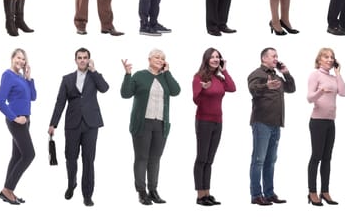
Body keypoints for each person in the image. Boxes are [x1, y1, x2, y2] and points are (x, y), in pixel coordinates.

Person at [48, 48, 109, 207]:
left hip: (91, 124)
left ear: (89, 60)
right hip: (72, 125)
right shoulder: (67, 79)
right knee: (70, 158)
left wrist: (94, 71)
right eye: (80, 58)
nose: (82, 60)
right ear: (75, 60)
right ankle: (71, 184)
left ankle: (87, 195)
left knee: (88, 160)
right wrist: (53, 123)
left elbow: (105, 88)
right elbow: (60, 102)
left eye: (85, 58)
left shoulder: (94, 77)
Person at [120, 49, 181, 205]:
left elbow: (176, 91)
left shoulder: (164, 77)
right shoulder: (140, 75)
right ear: (149, 59)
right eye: (157, 57)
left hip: (161, 123)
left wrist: (167, 72)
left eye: (162, 58)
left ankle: (153, 191)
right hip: (142, 123)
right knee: (142, 158)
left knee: (155, 159)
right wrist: (127, 74)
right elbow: (126, 93)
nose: (160, 60)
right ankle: (141, 192)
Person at [247, 47, 296, 205]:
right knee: (259, 160)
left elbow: (291, 89)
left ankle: (269, 193)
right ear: (264, 59)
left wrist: (286, 73)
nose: (276, 59)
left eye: (277, 56)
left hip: (276, 124)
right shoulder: (256, 74)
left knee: (271, 161)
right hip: (262, 122)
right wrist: (266, 86)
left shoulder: (277, 76)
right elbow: (252, 89)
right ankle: (256, 195)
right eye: (273, 56)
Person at [192, 48, 236, 206]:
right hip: (203, 121)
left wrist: (225, 71)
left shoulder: (219, 78)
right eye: (212, 57)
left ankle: (207, 193)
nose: (215, 59)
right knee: (202, 158)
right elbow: (196, 100)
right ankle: (200, 195)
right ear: (206, 59)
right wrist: (203, 90)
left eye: (218, 57)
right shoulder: (199, 77)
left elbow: (232, 88)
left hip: (218, 121)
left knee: (210, 160)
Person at [306, 48, 345, 206]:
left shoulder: (333, 77)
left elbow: (343, 93)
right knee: (316, 156)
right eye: (326, 57)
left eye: (332, 57)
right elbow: (309, 98)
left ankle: (325, 191)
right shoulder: (315, 74)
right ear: (319, 60)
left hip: (330, 121)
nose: (330, 59)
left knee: (327, 158)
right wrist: (320, 92)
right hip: (317, 121)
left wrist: (338, 74)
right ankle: (312, 192)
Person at [0, 48, 36, 205]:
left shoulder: (21, 77)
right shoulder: (8, 75)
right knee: (29, 154)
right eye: (18, 58)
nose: (21, 61)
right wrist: (14, 117)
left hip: (25, 121)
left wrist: (28, 78)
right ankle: (7, 190)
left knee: (18, 156)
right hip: (16, 122)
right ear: (12, 58)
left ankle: (8, 190)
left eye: (23, 59)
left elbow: (33, 97)